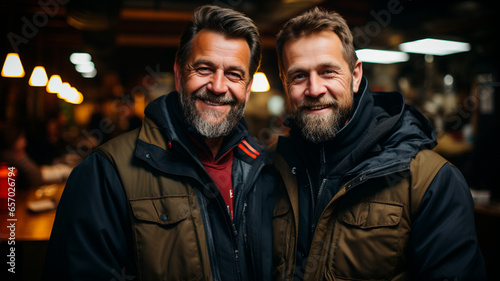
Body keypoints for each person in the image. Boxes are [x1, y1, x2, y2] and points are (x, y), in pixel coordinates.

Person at [43, 5, 276, 280]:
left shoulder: (268, 170)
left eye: (234, 75)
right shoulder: (105, 172)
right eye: (204, 68)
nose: (217, 86)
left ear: (247, 89)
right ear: (179, 74)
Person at [271, 7, 486, 281]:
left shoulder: (430, 181)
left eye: (328, 72)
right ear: (284, 81)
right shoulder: (272, 170)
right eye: (299, 76)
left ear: (356, 75)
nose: (314, 89)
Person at [0, 124, 72, 188]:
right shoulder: (11, 160)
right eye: (21, 138)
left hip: (39, 176)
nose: (25, 142)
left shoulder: (17, 155)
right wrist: (22, 159)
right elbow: (36, 180)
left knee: (66, 171)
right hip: (25, 195)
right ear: (13, 140)